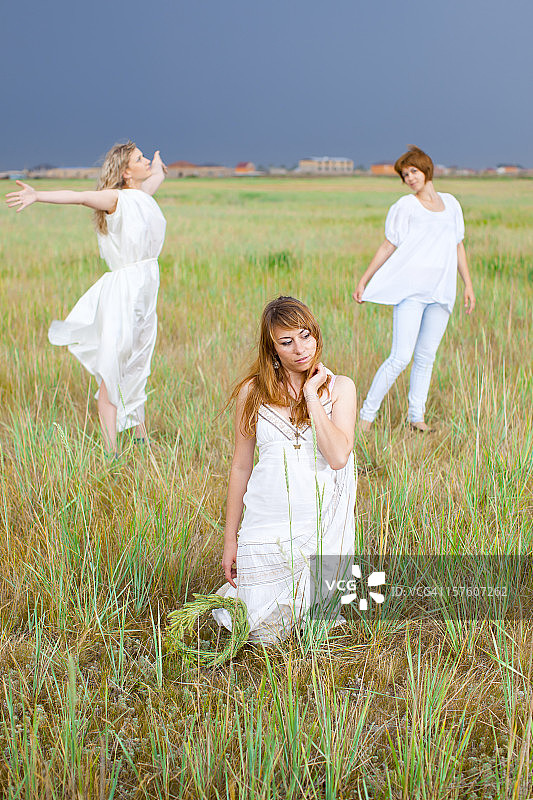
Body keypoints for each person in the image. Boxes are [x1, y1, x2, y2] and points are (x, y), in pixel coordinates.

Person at [212, 296, 357, 643]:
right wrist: (230, 538)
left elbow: (338, 456)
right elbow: (240, 467)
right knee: (263, 636)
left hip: (319, 522)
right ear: (272, 348)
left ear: (317, 335)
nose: (300, 349)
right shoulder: (253, 392)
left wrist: (311, 395)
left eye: (306, 335)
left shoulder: (340, 388)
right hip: (266, 518)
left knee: (314, 632)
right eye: (286, 341)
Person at [5, 142, 167, 453]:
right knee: (114, 365)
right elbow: (79, 198)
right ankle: (111, 452)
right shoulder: (115, 198)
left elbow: (157, 173)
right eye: (139, 158)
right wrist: (37, 195)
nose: (145, 161)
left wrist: (158, 162)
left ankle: (141, 436)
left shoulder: (143, 196)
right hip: (125, 292)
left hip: (146, 290)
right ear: (125, 172)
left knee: (138, 362)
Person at [353, 145, 475, 432]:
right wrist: (364, 279)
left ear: (426, 170)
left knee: (425, 357)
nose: (409, 178)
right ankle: (365, 417)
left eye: (413, 171)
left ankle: (415, 417)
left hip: (441, 292)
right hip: (411, 292)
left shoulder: (451, 204)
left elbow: (458, 245)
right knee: (400, 357)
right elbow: (388, 244)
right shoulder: (405, 206)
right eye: (404, 174)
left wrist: (468, 284)